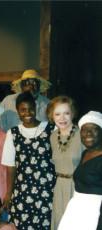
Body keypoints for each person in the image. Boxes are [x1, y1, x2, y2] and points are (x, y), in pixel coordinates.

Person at [1, 92, 56, 230]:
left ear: (36, 107)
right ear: (17, 111)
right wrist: (9, 193)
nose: (28, 113)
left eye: (30, 108)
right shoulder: (13, 133)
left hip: (46, 191)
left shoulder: (51, 129)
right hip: (22, 192)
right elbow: (11, 167)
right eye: (23, 110)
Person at [58, 111, 102, 230]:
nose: (88, 133)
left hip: (95, 212)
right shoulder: (85, 153)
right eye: (84, 129)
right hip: (77, 208)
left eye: (94, 129)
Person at [46, 96, 84, 230]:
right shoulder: (52, 137)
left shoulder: (82, 135)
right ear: (52, 116)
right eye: (57, 114)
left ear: (72, 113)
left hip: (79, 188)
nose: (62, 118)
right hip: (60, 187)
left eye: (66, 113)